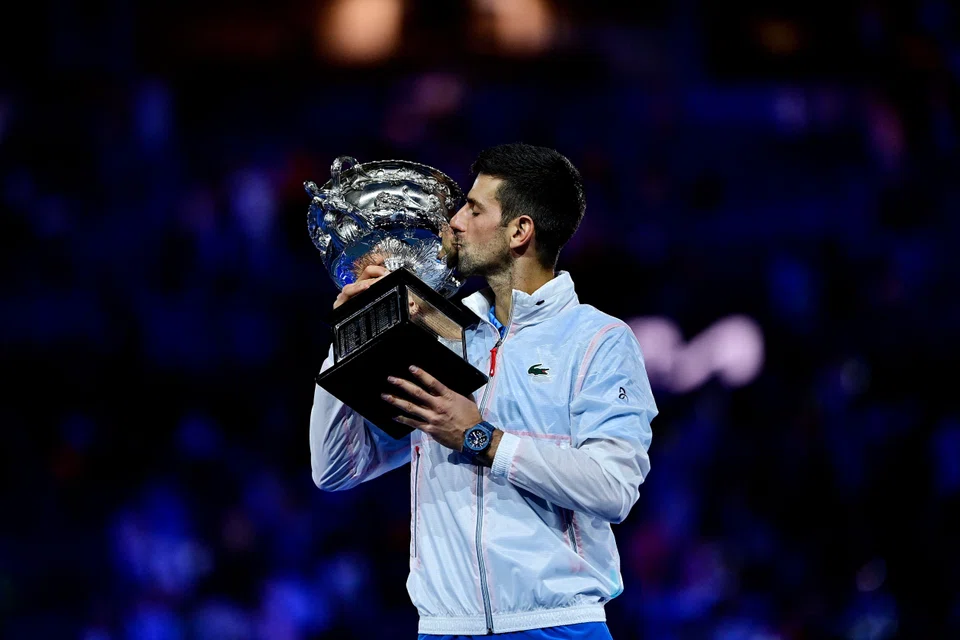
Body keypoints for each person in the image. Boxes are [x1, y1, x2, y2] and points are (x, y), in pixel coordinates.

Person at [310, 143, 658, 639]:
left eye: (474, 209)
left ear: (520, 231)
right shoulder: (436, 335)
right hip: (445, 628)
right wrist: (350, 333)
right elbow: (335, 468)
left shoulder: (597, 340)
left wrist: (483, 440)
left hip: (554, 625)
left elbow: (613, 490)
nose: (452, 221)